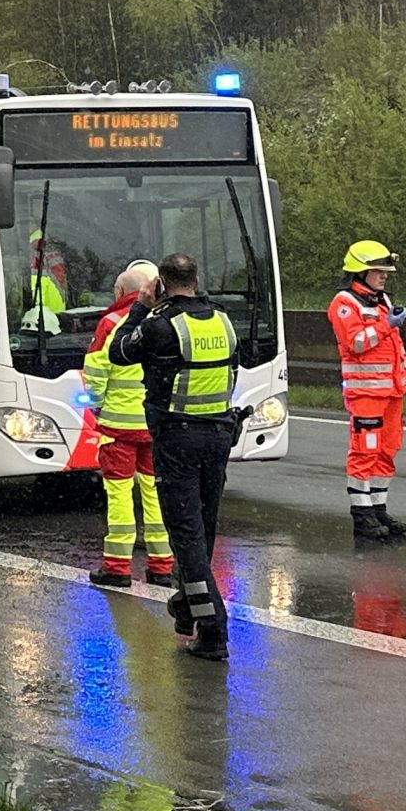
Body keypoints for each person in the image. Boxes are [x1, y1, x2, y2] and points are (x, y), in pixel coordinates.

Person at [106, 252, 242, 662]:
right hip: (219, 436)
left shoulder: (160, 327)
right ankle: (186, 607)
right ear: (196, 280)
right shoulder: (223, 321)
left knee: (187, 538)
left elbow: (118, 352)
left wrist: (139, 307)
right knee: (203, 527)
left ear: (161, 283)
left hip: (178, 440)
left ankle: (212, 629)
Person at [83, 259, 172, 588]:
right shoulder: (163, 321)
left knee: (119, 496)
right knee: (155, 494)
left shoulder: (110, 323)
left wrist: (98, 407)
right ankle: (162, 565)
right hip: (155, 426)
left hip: (118, 428)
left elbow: (95, 372)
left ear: (121, 291)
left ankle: (117, 567)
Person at [329, 241, 406, 543]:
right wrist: (388, 325)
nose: (384, 276)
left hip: (391, 393)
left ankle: (378, 509)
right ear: (360, 272)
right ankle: (361, 514)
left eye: (386, 272)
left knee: (386, 452)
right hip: (366, 395)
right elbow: (357, 343)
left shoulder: (380, 300)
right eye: (378, 271)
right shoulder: (344, 303)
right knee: (364, 452)